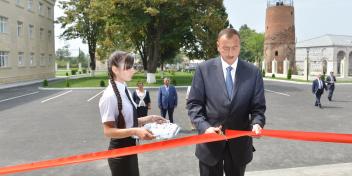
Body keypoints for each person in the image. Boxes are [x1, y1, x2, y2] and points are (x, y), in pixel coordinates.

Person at [187, 28, 266, 176]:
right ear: (218, 46)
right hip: (209, 143)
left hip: (239, 146)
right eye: (225, 48)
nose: (230, 53)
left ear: (240, 46)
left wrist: (257, 123)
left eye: (234, 48)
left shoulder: (253, 72)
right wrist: (205, 127)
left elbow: (258, 108)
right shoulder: (204, 69)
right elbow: (194, 105)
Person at [98, 51, 166, 176]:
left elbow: (127, 122)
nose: (133, 70)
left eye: (132, 67)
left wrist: (150, 118)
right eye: (128, 67)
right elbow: (108, 131)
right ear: (115, 69)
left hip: (130, 149)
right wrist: (135, 131)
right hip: (119, 155)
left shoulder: (124, 89)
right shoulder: (109, 96)